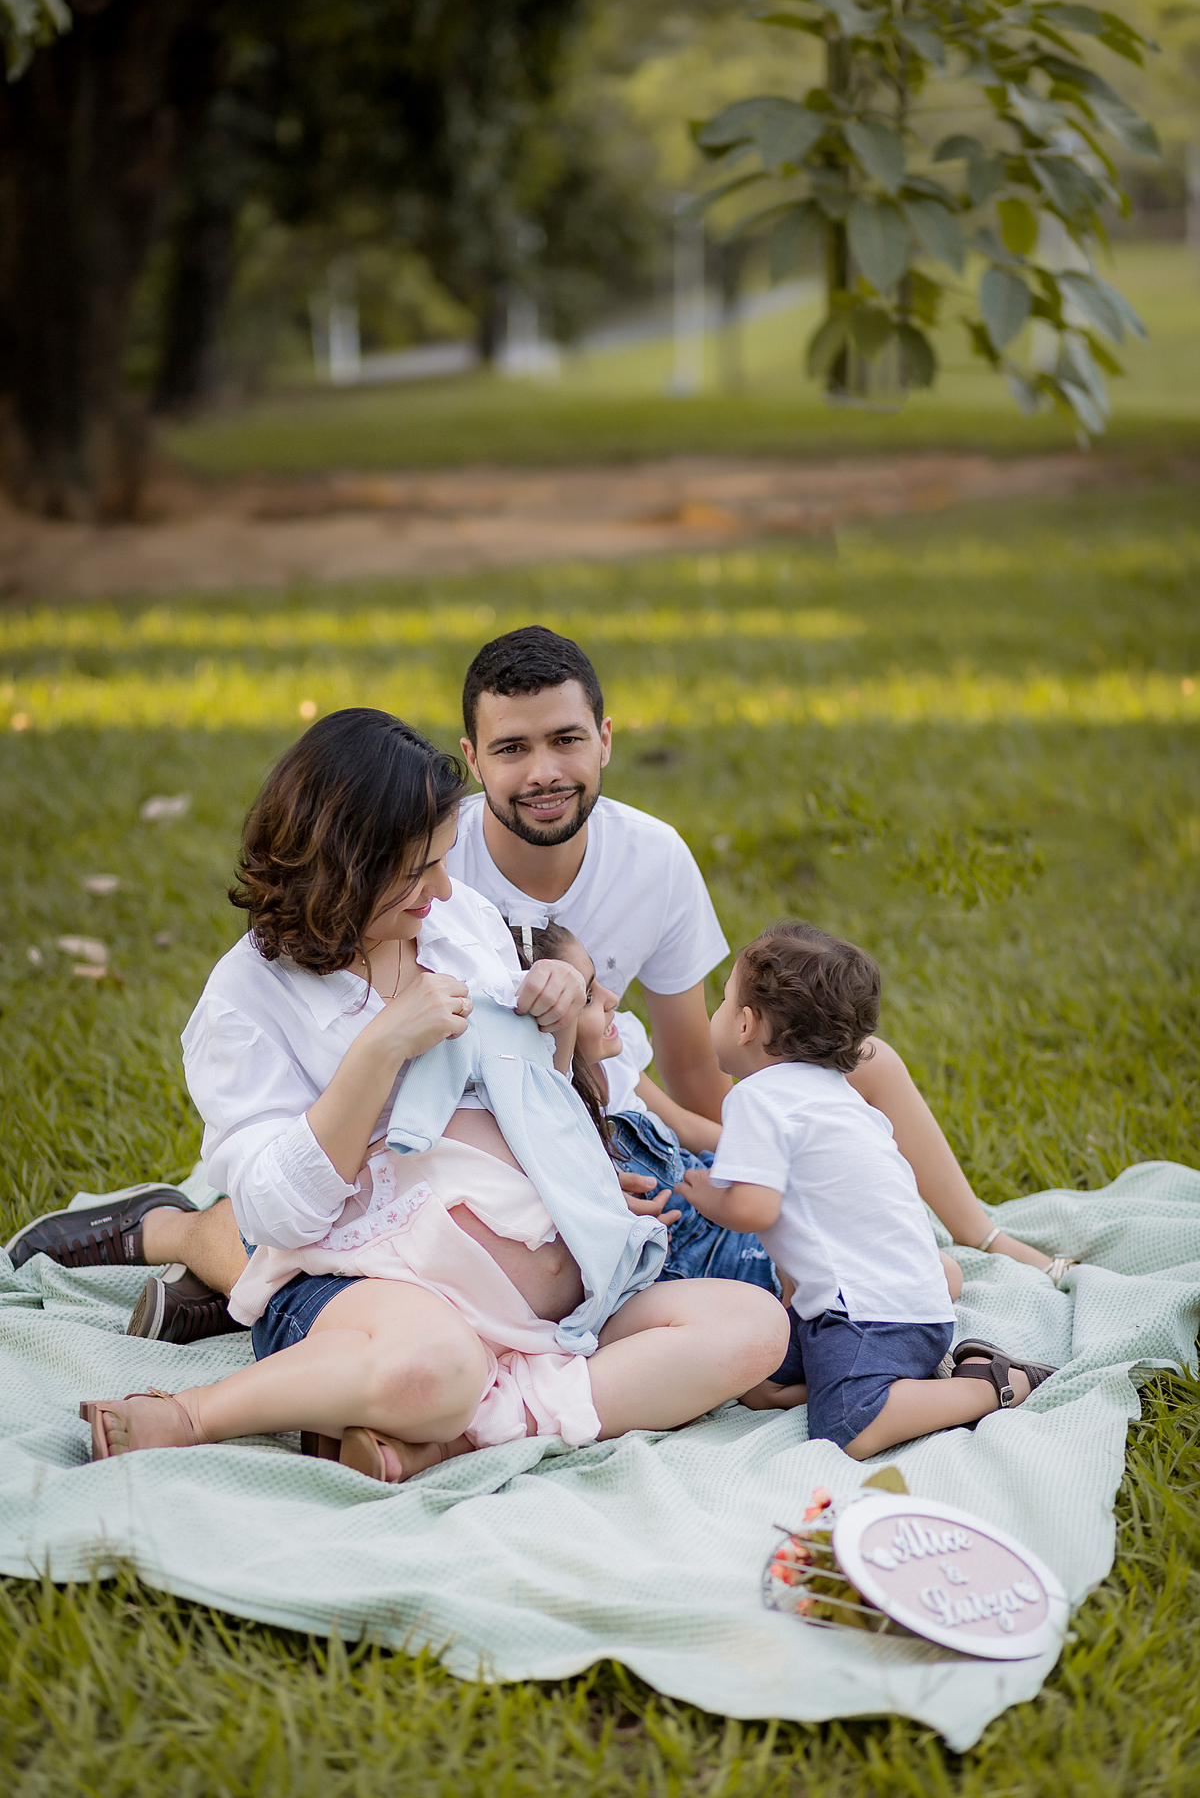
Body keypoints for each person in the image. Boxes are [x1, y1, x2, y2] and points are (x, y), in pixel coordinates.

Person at [8, 626, 1070, 1330]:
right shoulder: (428, 860)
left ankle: (977, 1228)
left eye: (567, 741)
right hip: (434, 1157)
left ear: (606, 742)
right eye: (512, 749)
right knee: (314, 1219)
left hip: (587, 1115)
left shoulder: (638, 859)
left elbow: (682, 1074)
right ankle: (186, 1240)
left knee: (857, 1082)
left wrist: (738, 1146)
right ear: (473, 762)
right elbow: (338, 1109)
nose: (545, 771)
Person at [76, 710, 789, 1479]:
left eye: (445, 860)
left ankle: (458, 1431)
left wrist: (568, 1152)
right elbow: (275, 1214)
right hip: (381, 1291)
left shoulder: (453, 920)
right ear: (344, 866)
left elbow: (522, 1088)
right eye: (419, 871)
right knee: (436, 1367)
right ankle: (192, 1414)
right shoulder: (247, 1000)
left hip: (557, 1301)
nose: (445, 889)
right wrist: (380, 1050)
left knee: (753, 1324)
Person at [676, 921, 1057, 1460]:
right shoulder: (836, 1093)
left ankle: (992, 1385)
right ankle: (898, 1383)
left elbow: (755, 1209)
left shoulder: (756, 1099)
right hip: (898, 1302)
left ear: (744, 1024)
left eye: (722, 1000)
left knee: (847, 1429)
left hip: (870, 1314)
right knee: (757, 1379)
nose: (716, 1013)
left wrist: (705, 1194)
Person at [510, 916, 962, 1347]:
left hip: (733, 1205)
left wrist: (768, 1158)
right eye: (588, 996)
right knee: (916, 1279)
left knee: (936, 1273)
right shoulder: (549, 1097)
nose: (612, 997)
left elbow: (682, 1125)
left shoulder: (618, 1059)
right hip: (697, 1253)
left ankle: (851, 1333)